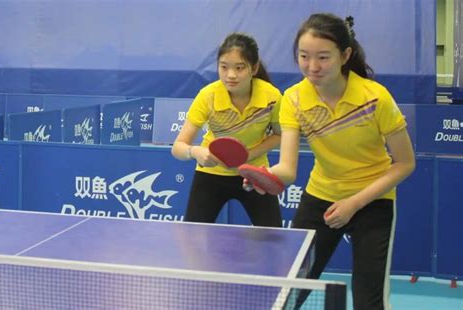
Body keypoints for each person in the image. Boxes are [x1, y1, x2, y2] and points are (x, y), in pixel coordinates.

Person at [266, 13, 415, 309]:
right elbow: (287, 169)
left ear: (345, 55)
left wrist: (354, 203)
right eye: (304, 56)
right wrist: (264, 178)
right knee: (290, 292)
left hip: (373, 199)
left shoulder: (375, 98)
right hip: (321, 196)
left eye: (323, 57)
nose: (312, 67)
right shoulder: (293, 99)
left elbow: (405, 163)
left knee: (367, 301)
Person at [171, 32, 282, 227]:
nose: (231, 75)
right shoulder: (208, 96)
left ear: (254, 68)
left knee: (273, 237)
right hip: (212, 173)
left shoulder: (271, 96)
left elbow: (279, 135)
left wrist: (249, 155)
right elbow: (178, 147)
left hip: (254, 174)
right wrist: (196, 151)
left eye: (239, 68)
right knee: (192, 239)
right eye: (224, 67)